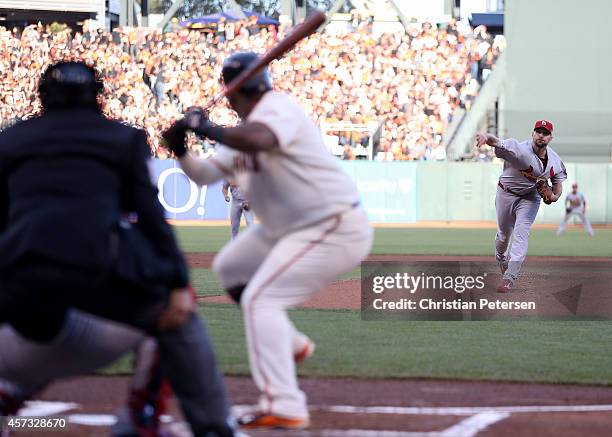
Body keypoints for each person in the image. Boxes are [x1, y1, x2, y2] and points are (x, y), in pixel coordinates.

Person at [0, 61, 235, 437]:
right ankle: (168, 423)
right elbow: (151, 218)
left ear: (44, 96)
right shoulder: (120, 140)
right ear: (97, 96)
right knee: (174, 311)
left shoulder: (9, 141)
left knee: (35, 329)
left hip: (16, 301)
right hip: (93, 283)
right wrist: (175, 280)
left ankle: (9, 393)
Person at [162, 51, 373, 430]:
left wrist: (208, 128)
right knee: (229, 266)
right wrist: (181, 150)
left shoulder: (277, 109)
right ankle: (291, 345)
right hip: (288, 228)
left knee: (262, 299)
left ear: (231, 92)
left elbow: (262, 139)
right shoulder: (246, 126)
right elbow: (206, 175)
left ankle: (286, 403)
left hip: (331, 223)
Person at [475, 119, 567, 292]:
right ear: (532, 133)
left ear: (550, 138)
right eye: (538, 131)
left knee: (521, 233)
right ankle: (502, 258)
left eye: (545, 133)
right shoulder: (518, 149)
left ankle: (510, 276)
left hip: (530, 198)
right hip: (506, 193)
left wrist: (553, 197)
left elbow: (558, 185)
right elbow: (495, 141)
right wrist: (484, 137)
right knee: (503, 236)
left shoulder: (555, 161)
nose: (541, 135)